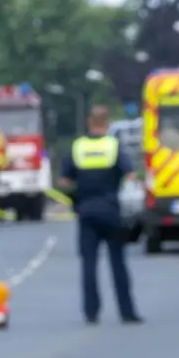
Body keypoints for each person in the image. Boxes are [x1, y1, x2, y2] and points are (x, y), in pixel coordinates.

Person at [58, 105, 143, 325]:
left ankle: (91, 312)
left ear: (89, 122)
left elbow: (63, 181)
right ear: (107, 124)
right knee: (118, 263)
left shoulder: (78, 147)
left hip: (87, 211)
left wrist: (78, 190)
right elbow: (131, 174)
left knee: (89, 264)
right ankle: (127, 312)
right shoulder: (113, 146)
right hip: (111, 211)